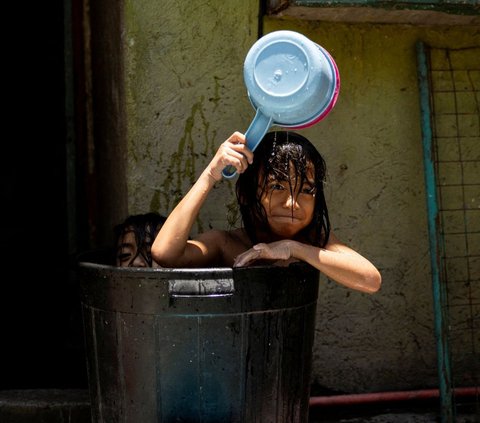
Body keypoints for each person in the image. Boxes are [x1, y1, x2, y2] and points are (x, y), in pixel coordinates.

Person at [151, 131, 381, 293]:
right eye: (278, 187)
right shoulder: (226, 244)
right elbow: (164, 254)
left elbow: (370, 280)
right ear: (245, 195)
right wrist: (211, 174)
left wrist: (294, 249)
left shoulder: (312, 240)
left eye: (306, 190)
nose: (292, 203)